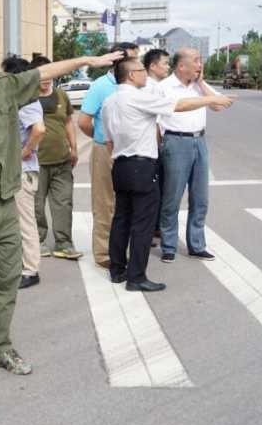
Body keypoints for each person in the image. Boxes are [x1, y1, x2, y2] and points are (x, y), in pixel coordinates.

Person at [0, 32, 122, 380]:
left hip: (6, 207)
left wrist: (86, 62)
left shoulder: (3, 88)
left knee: (4, 283)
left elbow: (43, 74)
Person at [102, 57, 234, 292]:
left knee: (121, 219)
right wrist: (212, 98)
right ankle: (137, 277)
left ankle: (117, 270)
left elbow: (109, 141)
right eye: (142, 70)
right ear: (131, 74)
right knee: (142, 224)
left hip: (120, 165)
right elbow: (178, 106)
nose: (146, 74)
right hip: (141, 165)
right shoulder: (140, 97)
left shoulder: (110, 101)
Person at [157, 48, 231, 264]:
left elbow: (218, 105)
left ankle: (196, 245)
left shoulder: (200, 87)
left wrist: (201, 83)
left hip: (200, 141)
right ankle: (169, 245)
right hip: (175, 141)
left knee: (200, 198)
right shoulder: (165, 87)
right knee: (172, 197)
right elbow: (172, 110)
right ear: (181, 66)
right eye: (197, 61)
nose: (201, 64)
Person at [78, 42, 139, 268]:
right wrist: (103, 138)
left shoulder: (138, 85)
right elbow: (83, 121)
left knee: (130, 202)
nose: (138, 65)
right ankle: (104, 255)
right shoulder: (100, 86)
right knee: (105, 203)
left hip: (132, 151)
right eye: (133, 60)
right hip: (105, 150)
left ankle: (127, 249)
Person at [30, 55, 83, 260]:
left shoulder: (61, 95)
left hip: (61, 160)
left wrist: (74, 147)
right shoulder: (27, 97)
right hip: (35, 162)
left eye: (50, 73)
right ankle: (38, 241)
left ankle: (64, 243)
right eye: (43, 74)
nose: (47, 78)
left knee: (63, 203)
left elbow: (68, 122)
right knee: (36, 205)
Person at [2, 55, 46, 289]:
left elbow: (39, 130)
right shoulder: (19, 99)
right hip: (18, 171)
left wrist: (23, 152)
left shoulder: (27, 101)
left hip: (22, 171)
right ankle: (22, 265)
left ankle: (30, 269)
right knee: (16, 222)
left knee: (25, 222)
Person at [142, 48, 170, 244]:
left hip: (156, 144)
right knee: (151, 191)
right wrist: (158, 148)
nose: (168, 67)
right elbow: (154, 123)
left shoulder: (157, 86)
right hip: (151, 147)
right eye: (165, 63)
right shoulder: (148, 87)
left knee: (159, 189)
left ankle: (154, 228)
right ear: (152, 66)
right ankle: (148, 230)